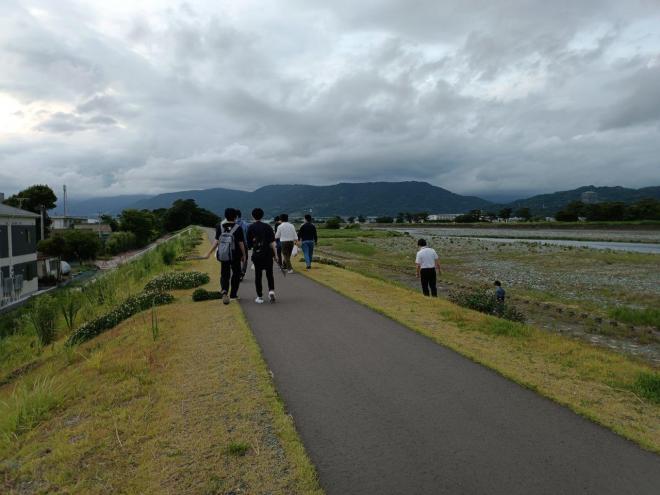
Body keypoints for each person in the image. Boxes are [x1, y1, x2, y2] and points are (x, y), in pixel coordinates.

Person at [205, 208, 246, 305]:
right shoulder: (238, 228)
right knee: (236, 274)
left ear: (225, 216)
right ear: (235, 216)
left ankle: (224, 290)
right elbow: (241, 243)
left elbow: (216, 241)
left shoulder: (220, 227)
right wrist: (244, 255)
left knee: (224, 274)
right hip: (235, 255)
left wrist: (209, 252)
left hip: (224, 255)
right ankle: (233, 294)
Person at [246, 208, 278, 303]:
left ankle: (259, 297)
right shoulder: (268, 227)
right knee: (269, 274)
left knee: (258, 275)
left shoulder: (250, 227)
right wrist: (276, 255)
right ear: (262, 215)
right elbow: (273, 243)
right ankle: (271, 291)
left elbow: (249, 244)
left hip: (257, 255)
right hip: (268, 254)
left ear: (252, 216)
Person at [235, 209, 250, 280]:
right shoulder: (245, 224)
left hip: (235, 244)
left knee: (236, 258)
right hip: (244, 243)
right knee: (245, 258)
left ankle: (237, 273)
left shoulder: (232, 224)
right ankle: (242, 273)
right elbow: (248, 235)